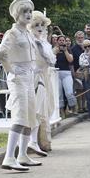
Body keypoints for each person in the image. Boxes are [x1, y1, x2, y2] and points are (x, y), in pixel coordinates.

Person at [0, 0, 43, 172]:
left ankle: (22, 155)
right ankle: (9, 157)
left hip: (29, 77)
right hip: (19, 79)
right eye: (25, 12)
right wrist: (12, 69)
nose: (29, 14)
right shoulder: (12, 33)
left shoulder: (27, 33)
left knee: (29, 116)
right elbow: (0, 54)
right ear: (17, 14)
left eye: (30, 11)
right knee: (20, 116)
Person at [28, 10, 56, 154]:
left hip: (45, 76)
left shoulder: (43, 42)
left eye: (42, 25)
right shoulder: (30, 40)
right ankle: (35, 143)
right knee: (38, 110)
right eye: (36, 25)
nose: (40, 28)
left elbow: (51, 60)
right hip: (34, 77)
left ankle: (42, 141)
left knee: (47, 107)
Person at [54, 35, 77, 114]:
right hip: (56, 73)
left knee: (69, 92)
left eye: (63, 40)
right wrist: (56, 51)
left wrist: (65, 50)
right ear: (57, 41)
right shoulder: (54, 49)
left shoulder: (68, 49)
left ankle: (73, 107)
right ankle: (61, 111)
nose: (61, 42)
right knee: (59, 94)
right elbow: (51, 60)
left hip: (66, 73)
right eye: (60, 40)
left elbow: (70, 60)